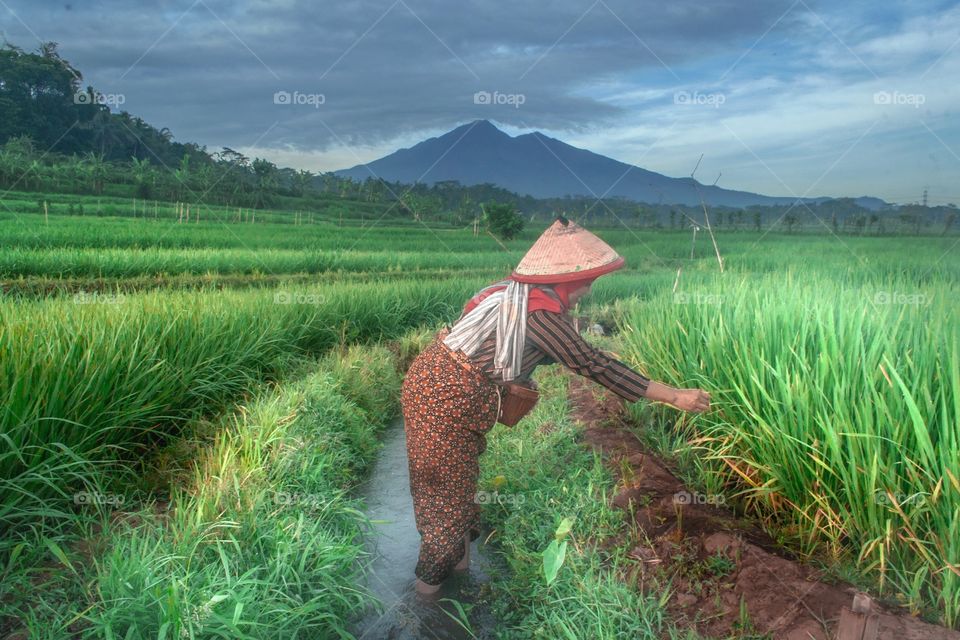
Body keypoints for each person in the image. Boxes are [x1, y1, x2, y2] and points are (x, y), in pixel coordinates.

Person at [400, 216, 710, 595]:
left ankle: (459, 584)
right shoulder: (538, 313)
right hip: (444, 399)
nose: (588, 289)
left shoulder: (515, 295)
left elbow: (550, 351)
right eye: (586, 282)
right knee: (444, 505)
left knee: (457, 493)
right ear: (565, 280)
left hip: (441, 391)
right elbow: (593, 364)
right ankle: (425, 604)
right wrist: (676, 396)